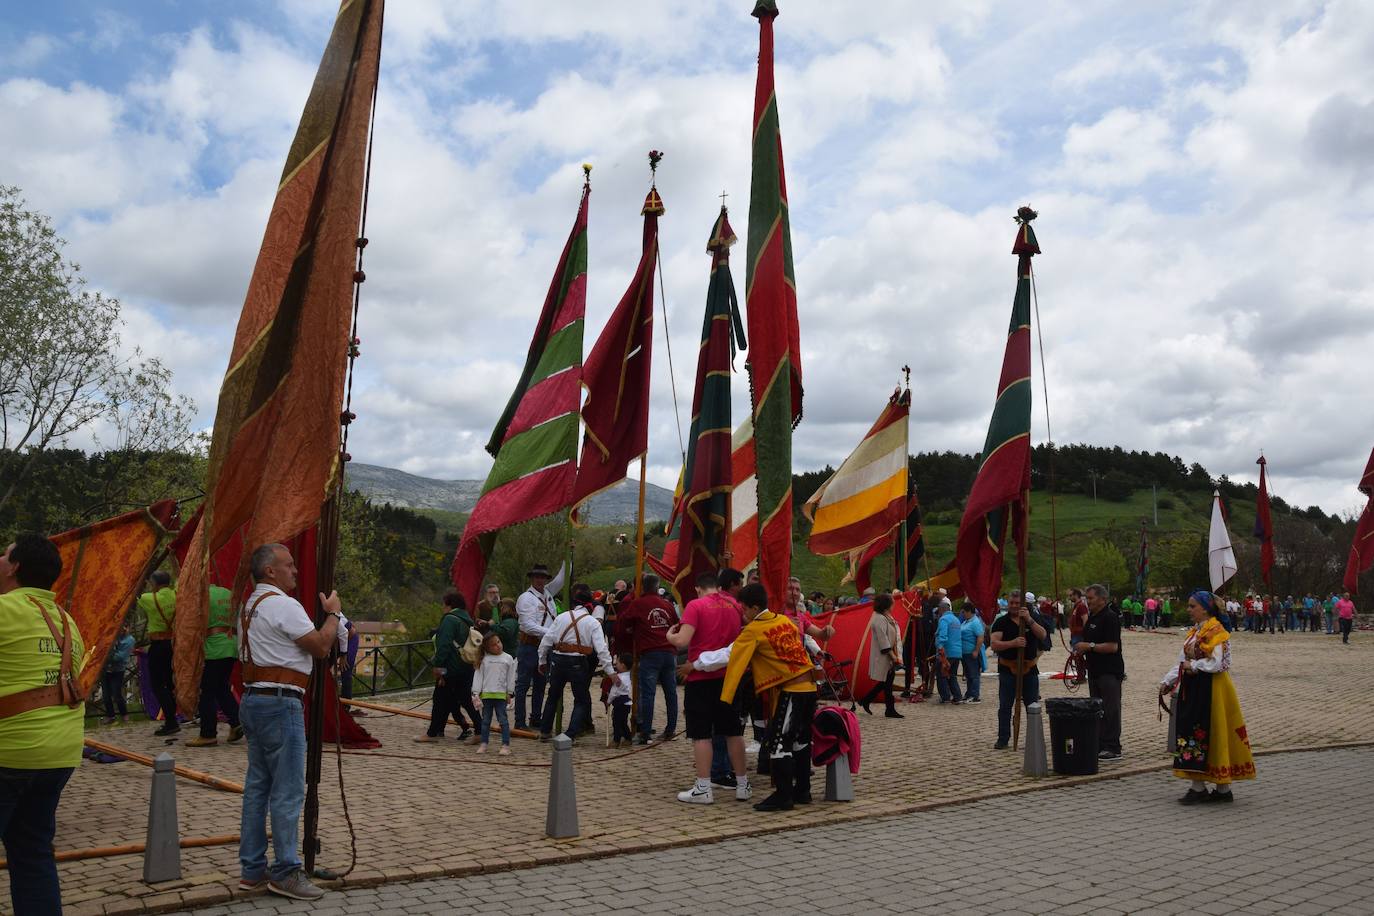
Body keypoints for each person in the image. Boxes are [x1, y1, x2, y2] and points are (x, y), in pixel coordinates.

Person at [237, 542, 342, 901]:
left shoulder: (250, 606)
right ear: (270, 571)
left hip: (254, 700)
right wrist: (333, 615)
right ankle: (285, 870)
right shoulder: (283, 603)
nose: (295, 571)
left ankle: (252, 869)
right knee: (287, 791)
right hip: (281, 703)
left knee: (257, 788)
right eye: (289, 565)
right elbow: (320, 646)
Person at [0, 534, 86, 914]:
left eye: (4, 554)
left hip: (10, 753)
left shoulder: (4, 611)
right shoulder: (68, 623)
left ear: (15, 566)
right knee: (33, 853)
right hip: (59, 756)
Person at [719, 583, 819, 812]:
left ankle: (784, 796)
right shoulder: (784, 621)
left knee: (777, 742)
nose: (743, 614)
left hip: (792, 691)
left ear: (754, 608)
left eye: (744, 609)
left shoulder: (753, 630)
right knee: (800, 741)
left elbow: (734, 661)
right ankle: (803, 790)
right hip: (809, 688)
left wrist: (726, 698)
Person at [1159, 590, 1256, 804]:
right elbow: (1181, 660)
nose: (1188, 610)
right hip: (1195, 687)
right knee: (1196, 731)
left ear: (1205, 608)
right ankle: (1209, 787)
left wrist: (1192, 665)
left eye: (1192, 606)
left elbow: (1220, 663)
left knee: (1212, 731)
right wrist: (1168, 681)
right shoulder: (1196, 631)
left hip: (1213, 688)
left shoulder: (1216, 631)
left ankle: (1214, 787)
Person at [667, 570, 750, 805]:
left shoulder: (696, 605)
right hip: (730, 678)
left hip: (701, 678)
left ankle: (703, 787)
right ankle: (743, 784)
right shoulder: (734, 605)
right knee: (733, 731)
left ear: (698, 588)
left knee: (701, 734)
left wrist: (670, 636)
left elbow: (682, 640)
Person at [537, 589, 614, 742]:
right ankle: (570, 734)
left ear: (574, 603)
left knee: (553, 696)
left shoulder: (561, 617)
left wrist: (542, 661)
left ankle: (545, 731)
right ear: (590, 606)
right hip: (578, 662)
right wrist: (610, 671)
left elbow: (546, 641)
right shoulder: (592, 622)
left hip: (558, 660)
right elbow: (602, 649)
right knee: (581, 699)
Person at [614, 573, 680, 744]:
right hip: (669, 653)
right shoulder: (667, 604)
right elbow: (677, 625)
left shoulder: (638, 603)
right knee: (671, 693)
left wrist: (632, 630)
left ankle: (645, 733)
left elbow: (623, 623)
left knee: (648, 694)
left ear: (642, 587)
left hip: (650, 653)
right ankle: (670, 729)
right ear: (657, 587)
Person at [989, 590, 1048, 750]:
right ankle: (1003, 738)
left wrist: (1029, 620)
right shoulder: (1001, 622)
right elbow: (994, 644)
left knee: (1032, 706)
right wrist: (1012, 643)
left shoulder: (1032, 619)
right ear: (1008, 604)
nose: (1014, 606)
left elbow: (1043, 635)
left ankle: (1034, 738)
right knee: (1005, 706)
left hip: (1029, 669)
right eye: (1011, 603)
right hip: (1008, 669)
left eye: (1017, 603)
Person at [417, 591, 478, 743]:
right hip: (466, 666)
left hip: (451, 668)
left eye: (444, 604)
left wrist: (439, 669)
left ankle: (432, 734)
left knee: (439, 699)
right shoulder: (467, 619)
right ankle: (479, 730)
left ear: (449, 604)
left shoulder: (450, 619)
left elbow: (443, 646)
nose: (442, 607)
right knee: (464, 700)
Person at [188, 583, 243, 747]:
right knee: (221, 687)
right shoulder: (229, 593)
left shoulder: (201, 595)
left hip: (213, 647)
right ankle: (236, 721)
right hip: (231, 645)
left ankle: (208, 733)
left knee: (207, 692)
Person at [1076, 584, 1125, 761]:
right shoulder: (1092, 618)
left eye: (1091, 598)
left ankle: (1113, 746)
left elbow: (1113, 646)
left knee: (1110, 709)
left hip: (1109, 671)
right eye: (1087, 598)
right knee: (1097, 709)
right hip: (1095, 670)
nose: (1088, 602)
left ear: (1103, 599)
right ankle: (1100, 743)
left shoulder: (1110, 618)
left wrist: (1089, 646)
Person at [514, 564, 558, 731]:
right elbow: (527, 625)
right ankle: (519, 721)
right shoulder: (525, 598)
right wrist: (551, 633)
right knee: (523, 685)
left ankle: (536, 718)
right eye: (537, 577)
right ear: (532, 578)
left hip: (544, 646)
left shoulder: (548, 594)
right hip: (529, 645)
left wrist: (571, 552)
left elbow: (562, 577)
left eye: (543, 577)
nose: (540, 580)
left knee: (540, 684)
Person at [139, 570, 179, 735]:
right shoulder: (177, 594)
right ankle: (174, 716)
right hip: (174, 644)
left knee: (157, 684)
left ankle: (171, 721)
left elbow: (136, 594)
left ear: (154, 584)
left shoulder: (149, 598)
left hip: (158, 645)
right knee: (171, 683)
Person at [857, 594, 904, 718]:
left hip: (888, 654)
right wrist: (893, 656)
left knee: (887, 682)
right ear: (887, 604)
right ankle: (887, 708)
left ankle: (867, 701)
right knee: (887, 682)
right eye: (892, 602)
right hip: (885, 655)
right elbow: (883, 639)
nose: (894, 604)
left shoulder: (885, 617)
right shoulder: (879, 619)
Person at [470, 631, 516, 755]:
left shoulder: (508, 658)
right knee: (485, 721)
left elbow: (511, 677)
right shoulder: (484, 660)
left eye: (498, 642)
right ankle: (484, 744)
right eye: (493, 645)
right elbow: (478, 676)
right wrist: (476, 692)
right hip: (486, 696)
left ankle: (505, 745)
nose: (498, 645)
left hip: (501, 696)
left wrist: (510, 693)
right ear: (487, 648)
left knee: (503, 721)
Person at [101, 620, 135, 724]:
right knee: (106, 695)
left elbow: (120, 657)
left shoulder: (129, 640)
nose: (122, 629)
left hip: (118, 670)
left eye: (125, 627)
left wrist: (106, 654)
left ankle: (124, 715)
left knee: (117, 694)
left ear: (128, 627)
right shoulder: (112, 635)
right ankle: (110, 716)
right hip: (106, 669)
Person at [935, 598, 964, 704]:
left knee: (941, 674)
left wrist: (940, 648)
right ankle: (957, 697)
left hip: (946, 653)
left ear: (941, 610)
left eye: (938, 612)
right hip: (957, 653)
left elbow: (943, 635)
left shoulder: (944, 619)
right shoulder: (956, 619)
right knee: (952, 675)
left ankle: (945, 697)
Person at [960, 601, 985, 703]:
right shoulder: (966, 622)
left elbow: (980, 637)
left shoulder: (975, 622)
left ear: (969, 611)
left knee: (974, 674)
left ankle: (975, 695)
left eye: (964, 612)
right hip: (965, 653)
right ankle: (969, 693)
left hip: (971, 652)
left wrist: (976, 650)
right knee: (968, 674)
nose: (962, 614)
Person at [607, 655, 634, 748]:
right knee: (623, 722)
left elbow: (614, 692)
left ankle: (616, 740)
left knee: (616, 722)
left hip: (620, 704)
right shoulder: (628, 677)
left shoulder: (618, 678)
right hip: (627, 704)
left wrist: (608, 701)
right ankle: (628, 738)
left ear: (622, 665)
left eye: (617, 663)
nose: (615, 664)